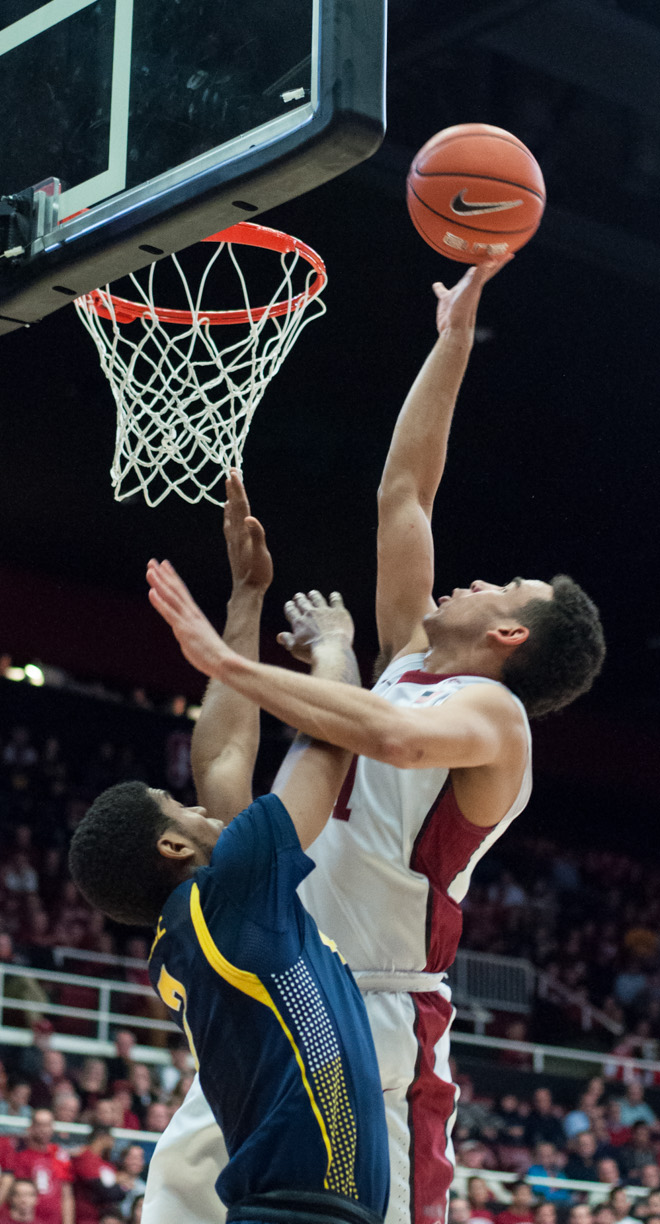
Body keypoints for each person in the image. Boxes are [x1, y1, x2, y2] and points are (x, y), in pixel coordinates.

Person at [144, 261, 606, 1224]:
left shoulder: (491, 717)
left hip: (378, 1015)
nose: (475, 579)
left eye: (501, 589)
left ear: (510, 636)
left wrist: (234, 666)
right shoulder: (406, 657)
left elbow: (392, 740)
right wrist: (452, 341)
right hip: (274, 982)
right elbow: (406, 490)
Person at [69, 478, 389, 1224]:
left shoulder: (195, 924)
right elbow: (331, 745)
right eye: (178, 806)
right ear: (175, 844)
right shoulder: (229, 896)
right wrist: (335, 650)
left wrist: (247, 597)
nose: (200, 800)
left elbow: (221, 761)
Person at [0, 1108, 74, 1224]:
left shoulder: (59, 1154)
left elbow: (66, 1195)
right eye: (40, 1125)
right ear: (31, 1127)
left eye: (48, 1125)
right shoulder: (17, 1153)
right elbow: (7, 1186)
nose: (44, 1130)